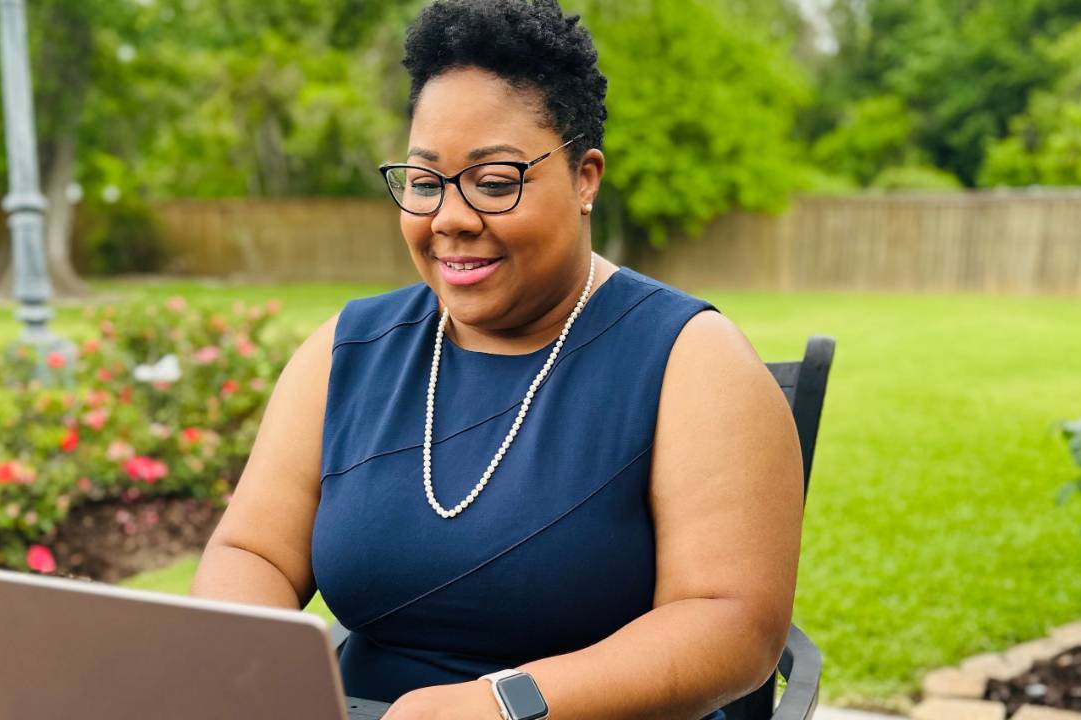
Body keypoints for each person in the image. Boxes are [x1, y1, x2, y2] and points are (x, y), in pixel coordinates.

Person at [190, 1, 804, 718]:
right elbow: (252, 552)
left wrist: (505, 704)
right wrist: (261, 675)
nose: (450, 218)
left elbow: (732, 624)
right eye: (425, 183)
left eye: (494, 181)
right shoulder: (347, 350)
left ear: (584, 178)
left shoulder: (692, 360)